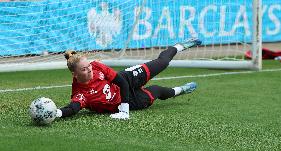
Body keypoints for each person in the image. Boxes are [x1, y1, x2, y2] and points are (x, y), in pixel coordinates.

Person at [55, 38, 202, 120]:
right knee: (158, 91)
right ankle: (182, 90)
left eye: (88, 66)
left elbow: (121, 81)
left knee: (162, 63)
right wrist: (57, 113)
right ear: (75, 75)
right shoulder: (80, 93)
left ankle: (179, 46)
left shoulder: (96, 66)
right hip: (130, 100)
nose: (89, 69)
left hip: (127, 79)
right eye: (84, 69)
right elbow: (73, 108)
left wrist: (124, 111)